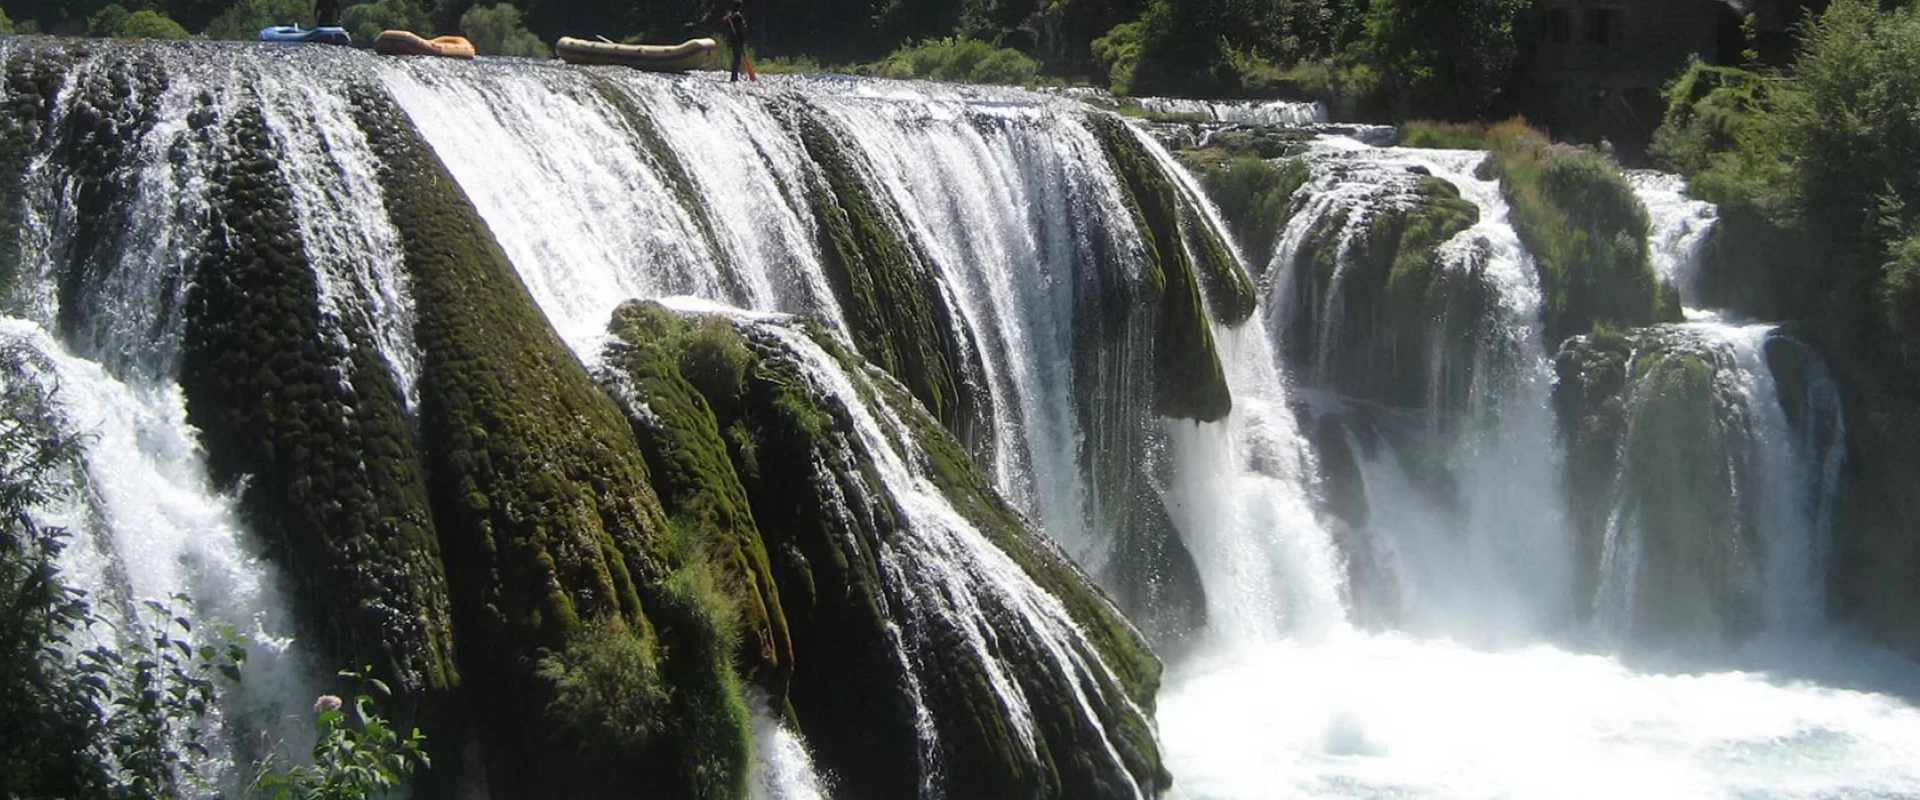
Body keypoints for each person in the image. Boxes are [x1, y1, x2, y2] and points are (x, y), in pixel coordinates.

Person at [720, 1, 749, 82]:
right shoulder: (738, 16)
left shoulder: (731, 16)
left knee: (736, 59)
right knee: (737, 59)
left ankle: (734, 77)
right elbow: (741, 30)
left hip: (733, 41)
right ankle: (734, 78)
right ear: (740, 7)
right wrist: (742, 40)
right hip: (737, 41)